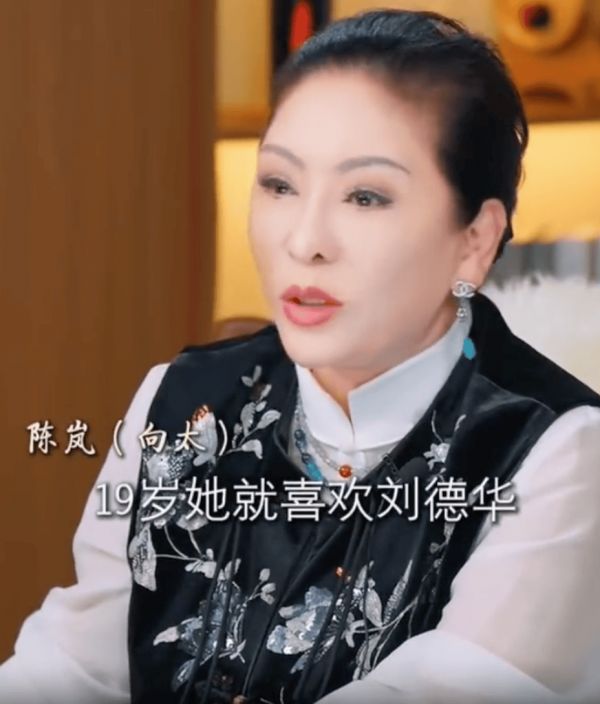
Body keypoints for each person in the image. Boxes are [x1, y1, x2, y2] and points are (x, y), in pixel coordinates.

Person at [2, 8, 600, 704]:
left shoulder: (557, 451)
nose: (304, 241)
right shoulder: (182, 402)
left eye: (366, 196)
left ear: (475, 240)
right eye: (280, 185)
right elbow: (74, 667)